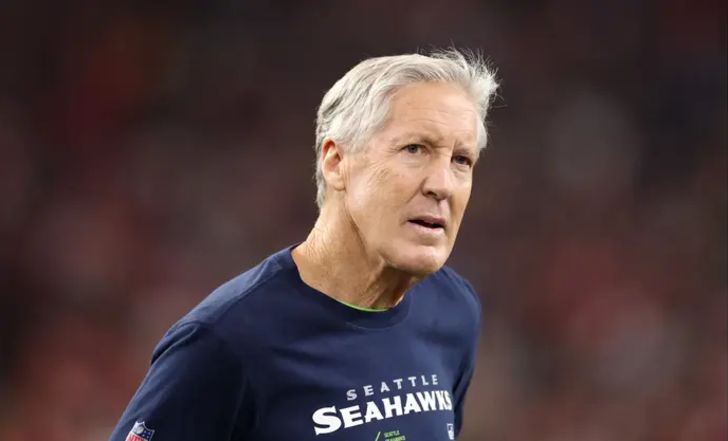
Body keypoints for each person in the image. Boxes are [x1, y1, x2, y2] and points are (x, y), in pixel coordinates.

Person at [110, 48, 498, 441]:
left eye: (461, 160)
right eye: (414, 149)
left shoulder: (454, 310)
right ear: (336, 162)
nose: (442, 185)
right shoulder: (225, 341)